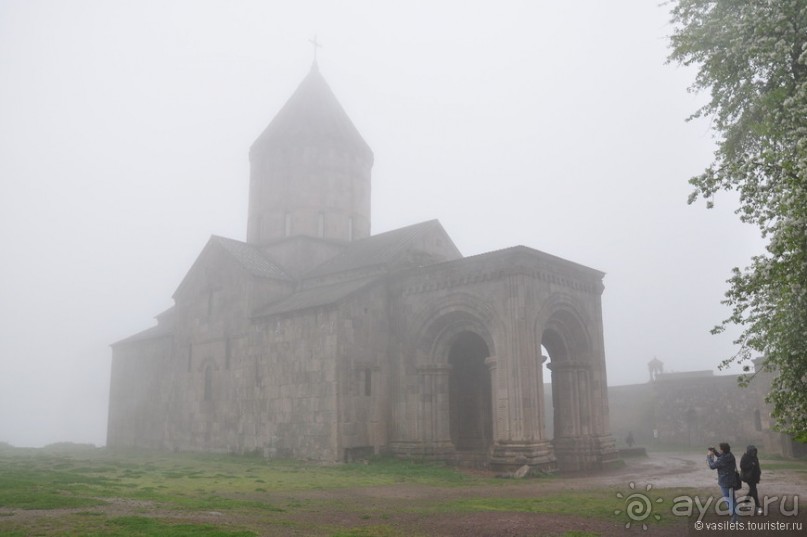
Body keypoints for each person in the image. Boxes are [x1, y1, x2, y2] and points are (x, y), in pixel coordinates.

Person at [707, 442, 739, 522]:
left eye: (720, 449)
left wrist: (709, 456)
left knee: (728, 499)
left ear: (722, 449)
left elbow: (712, 466)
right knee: (732, 499)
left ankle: (734, 518)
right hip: (732, 480)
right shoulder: (730, 455)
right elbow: (722, 456)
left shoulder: (723, 459)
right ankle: (736, 516)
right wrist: (715, 452)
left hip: (725, 482)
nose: (719, 450)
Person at [740, 445, 762, 515]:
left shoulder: (755, 457)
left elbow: (757, 466)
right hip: (749, 477)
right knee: (754, 491)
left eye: (755, 451)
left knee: (752, 491)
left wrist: (759, 474)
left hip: (754, 477)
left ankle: (745, 503)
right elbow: (742, 466)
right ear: (749, 451)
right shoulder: (745, 457)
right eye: (752, 451)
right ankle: (758, 507)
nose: (754, 452)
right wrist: (751, 464)